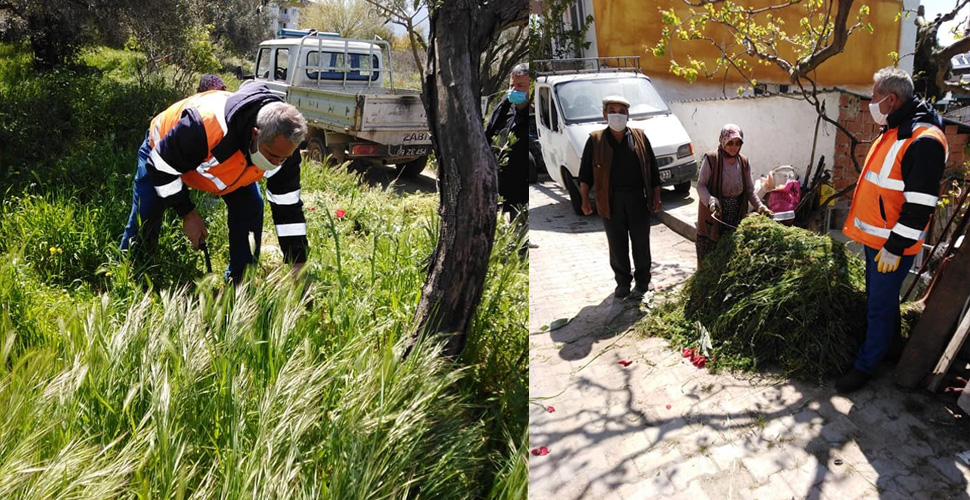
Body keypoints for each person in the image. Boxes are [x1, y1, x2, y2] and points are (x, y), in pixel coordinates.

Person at [121, 80, 310, 283]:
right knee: (147, 211)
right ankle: (132, 271)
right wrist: (187, 213)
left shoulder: (284, 148)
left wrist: (297, 260)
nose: (277, 164)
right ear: (255, 134)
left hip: (225, 167)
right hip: (162, 155)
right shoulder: (203, 127)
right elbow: (161, 167)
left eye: (283, 158)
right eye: (272, 156)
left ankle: (240, 281)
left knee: (250, 206)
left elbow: (288, 206)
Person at [838, 67, 948, 393]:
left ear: (892, 98)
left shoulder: (923, 140)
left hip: (892, 247)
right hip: (880, 241)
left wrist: (895, 247)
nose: (871, 103)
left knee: (879, 307)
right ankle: (883, 350)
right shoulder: (896, 129)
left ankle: (866, 366)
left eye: (874, 97)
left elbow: (920, 205)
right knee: (881, 304)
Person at [578, 95, 662, 299]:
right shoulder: (595, 140)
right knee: (617, 244)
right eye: (612, 110)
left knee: (641, 242)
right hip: (610, 200)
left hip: (637, 198)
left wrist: (656, 197)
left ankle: (643, 282)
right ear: (604, 114)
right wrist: (584, 200)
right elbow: (585, 174)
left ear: (628, 115)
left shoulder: (640, 137)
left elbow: (653, 171)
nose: (617, 115)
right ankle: (622, 283)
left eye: (622, 111)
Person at [695, 124, 773, 266]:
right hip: (715, 212)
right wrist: (711, 201)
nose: (734, 147)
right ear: (723, 141)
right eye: (730, 142)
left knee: (730, 252)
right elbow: (701, 185)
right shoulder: (712, 159)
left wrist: (760, 207)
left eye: (738, 143)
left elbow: (749, 190)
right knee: (710, 254)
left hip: (736, 211)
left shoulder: (743, 161)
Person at [485, 62, 529, 223]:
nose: (514, 90)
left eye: (521, 86)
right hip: (501, 181)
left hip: (522, 186)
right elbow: (488, 134)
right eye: (512, 85)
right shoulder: (504, 108)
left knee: (520, 228)